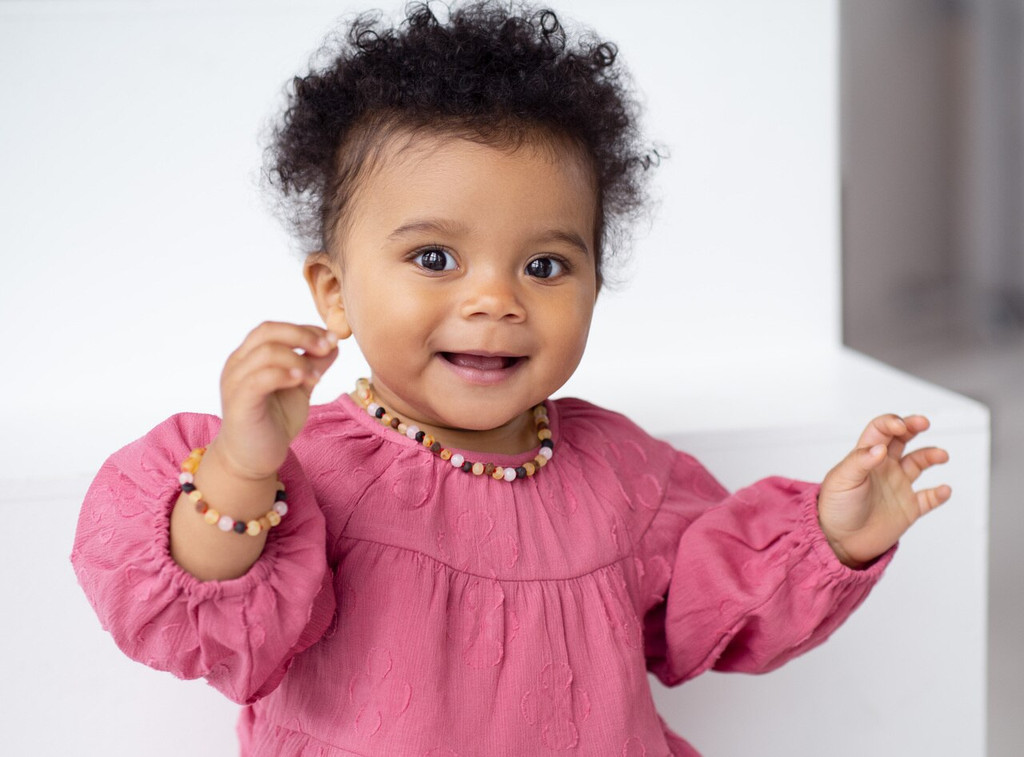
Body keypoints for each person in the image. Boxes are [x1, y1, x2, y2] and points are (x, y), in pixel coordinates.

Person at [71, 2, 951, 755]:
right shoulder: (307, 472)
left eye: (544, 266)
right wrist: (241, 468)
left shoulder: (621, 471)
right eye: (436, 256)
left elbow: (707, 608)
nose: (494, 298)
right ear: (334, 293)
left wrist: (832, 536)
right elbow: (203, 622)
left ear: (596, 288)